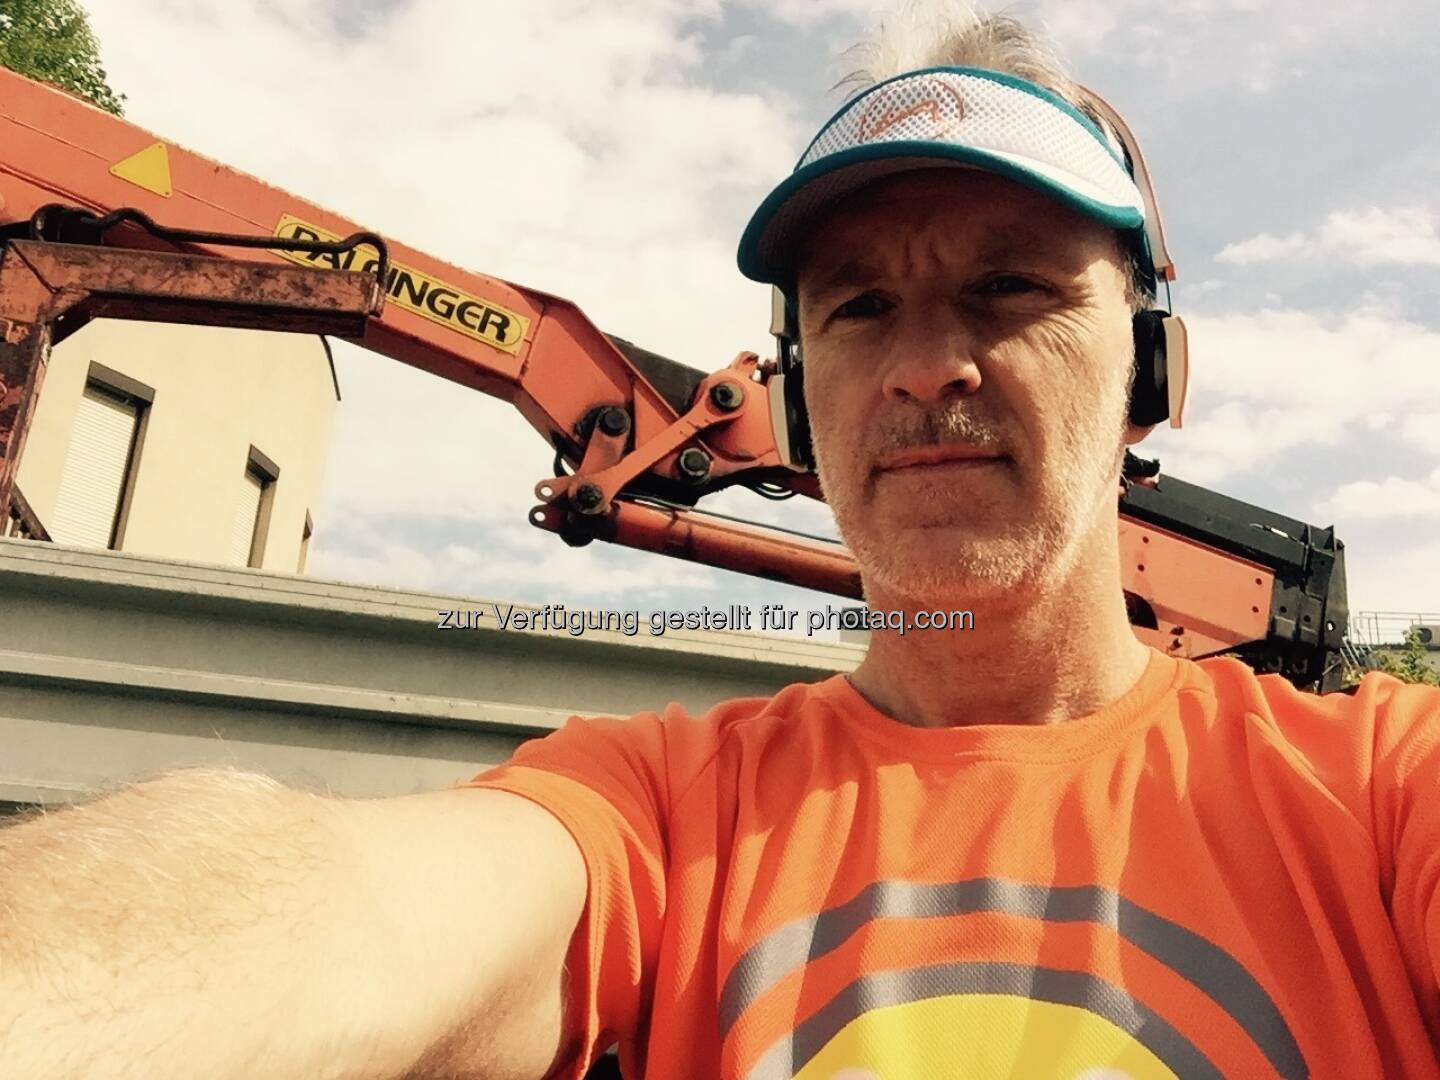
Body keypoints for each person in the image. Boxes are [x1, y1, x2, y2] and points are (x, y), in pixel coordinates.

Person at [3, 5, 1439, 1080]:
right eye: (859, 307)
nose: (922, 367)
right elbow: (333, 914)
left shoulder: (1377, 799)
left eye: (1010, 286)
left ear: (1148, 371)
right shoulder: (665, 818)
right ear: (801, 397)